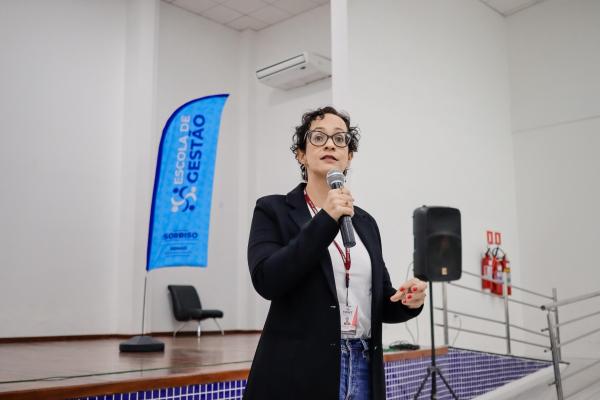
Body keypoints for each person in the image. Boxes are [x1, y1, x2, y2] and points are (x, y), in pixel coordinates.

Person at [244, 106, 427, 400]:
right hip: (299, 370)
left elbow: (380, 302)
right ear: (301, 155)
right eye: (318, 137)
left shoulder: (365, 222)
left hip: (363, 364)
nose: (330, 144)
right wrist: (325, 220)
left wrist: (407, 302)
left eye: (340, 139)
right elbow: (267, 280)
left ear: (349, 156)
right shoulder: (272, 209)